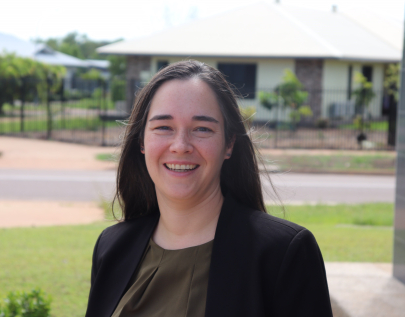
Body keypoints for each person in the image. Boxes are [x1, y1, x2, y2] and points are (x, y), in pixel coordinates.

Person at [85, 60, 333, 317]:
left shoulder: (282, 254)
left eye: (202, 128)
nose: (180, 146)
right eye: (163, 127)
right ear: (141, 142)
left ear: (229, 144)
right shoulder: (112, 246)